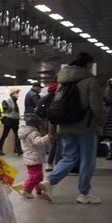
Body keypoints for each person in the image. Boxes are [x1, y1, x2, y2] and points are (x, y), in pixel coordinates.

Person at [39, 52, 105, 204]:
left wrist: (52, 129)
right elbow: (96, 108)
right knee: (87, 160)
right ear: (88, 64)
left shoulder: (62, 81)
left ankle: (50, 182)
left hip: (65, 126)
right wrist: (100, 123)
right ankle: (84, 193)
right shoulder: (90, 81)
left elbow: (56, 106)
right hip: (86, 128)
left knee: (69, 157)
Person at [18, 113, 55, 198]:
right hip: (33, 158)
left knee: (39, 175)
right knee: (35, 176)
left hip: (33, 157)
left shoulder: (26, 132)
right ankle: (26, 190)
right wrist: (48, 137)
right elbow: (38, 142)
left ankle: (39, 190)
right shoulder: (34, 133)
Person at [0, 87, 23, 156]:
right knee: (5, 135)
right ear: (12, 93)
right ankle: (0, 149)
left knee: (17, 135)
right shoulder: (7, 100)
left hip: (15, 120)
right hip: (9, 120)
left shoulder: (15, 100)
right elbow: (4, 109)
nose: (18, 94)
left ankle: (19, 149)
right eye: (16, 93)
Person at [44, 82, 60, 171]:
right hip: (58, 125)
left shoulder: (48, 98)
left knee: (55, 145)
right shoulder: (56, 98)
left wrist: (50, 131)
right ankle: (56, 165)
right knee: (57, 145)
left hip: (53, 124)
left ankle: (50, 163)